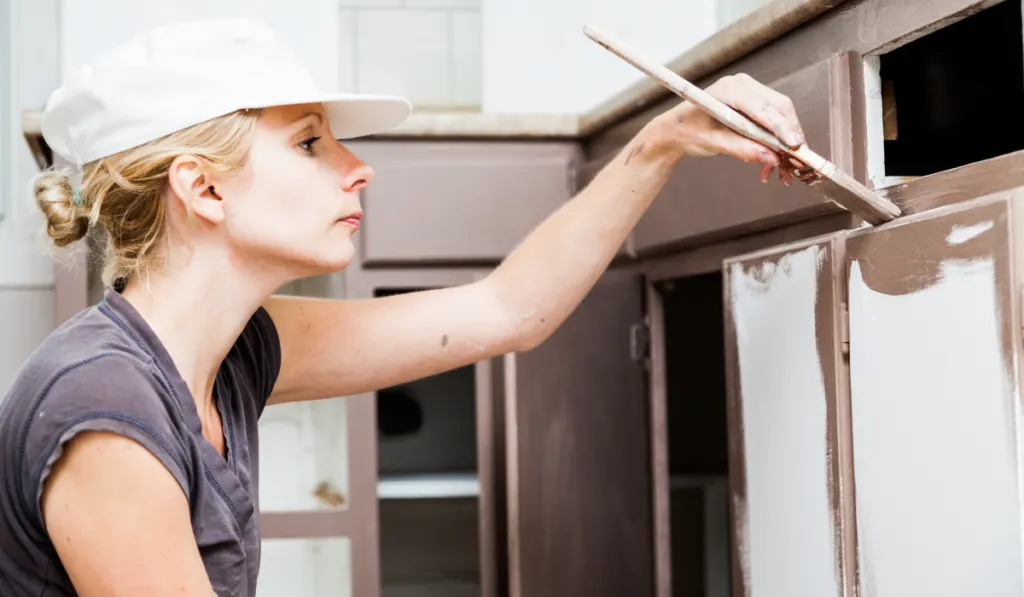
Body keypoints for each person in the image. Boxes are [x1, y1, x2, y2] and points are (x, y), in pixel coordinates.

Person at [0, 16, 810, 597]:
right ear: (202, 188)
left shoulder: (235, 350)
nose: (358, 168)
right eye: (311, 142)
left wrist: (663, 139)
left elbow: (509, 309)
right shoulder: (104, 408)